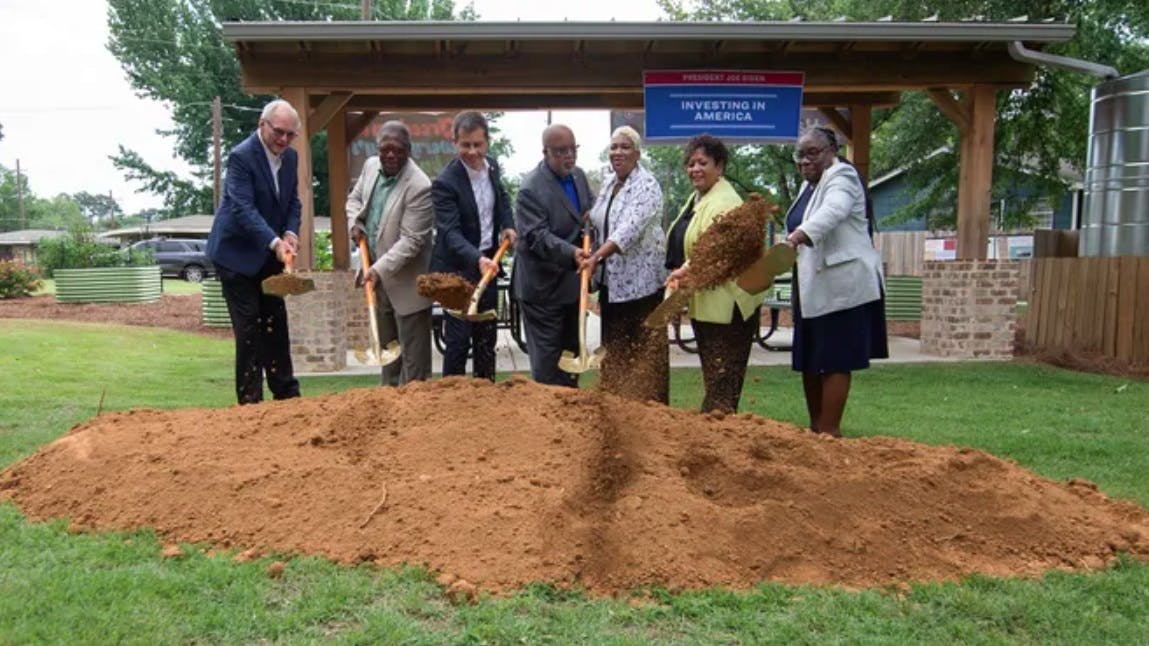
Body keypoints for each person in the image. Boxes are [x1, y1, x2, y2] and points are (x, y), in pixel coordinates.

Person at [784, 126, 888, 437]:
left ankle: (829, 432)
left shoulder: (842, 177)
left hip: (842, 287)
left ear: (832, 152)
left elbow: (834, 211)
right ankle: (815, 429)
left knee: (835, 359)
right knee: (810, 358)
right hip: (811, 287)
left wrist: (799, 236)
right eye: (800, 155)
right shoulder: (808, 186)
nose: (805, 161)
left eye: (813, 153)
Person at [206, 99, 303, 405]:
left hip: (268, 259)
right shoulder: (241, 157)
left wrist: (290, 233)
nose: (284, 140)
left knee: (276, 324)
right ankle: (250, 404)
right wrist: (275, 244)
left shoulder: (290, 158)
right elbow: (243, 209)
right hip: (236, 258)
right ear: (262, 124)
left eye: (291, 135)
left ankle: (287, 395)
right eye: (279, 132)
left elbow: (293, 203)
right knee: (249, 327)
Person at [665, 134, 765, 413]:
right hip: (708, 302)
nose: (694, 169)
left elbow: (717, 250)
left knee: (723, 378)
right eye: (691, 163)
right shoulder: (698, 198)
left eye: (703, 162)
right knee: (715, 374)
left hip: (729, 306)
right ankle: (716, 429)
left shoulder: (725, 203)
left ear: (719, 167)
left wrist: (685, 271)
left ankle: (722, 433)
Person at [580, 126, 669, 403]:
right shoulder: (609, 182)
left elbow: (627, 231)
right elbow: (598, 217)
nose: (618, 152)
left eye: (625, 147)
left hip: (642, 289)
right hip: (613, 286)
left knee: (646, 355)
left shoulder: (647, 185)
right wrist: (588, 224)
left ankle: (654, 414)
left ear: (638, 153)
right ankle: (617, 413)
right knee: (615, 352)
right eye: (614, 147)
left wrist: (595, 257)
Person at [430, 111, 516, 381]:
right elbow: (450, 234)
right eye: (465, 145)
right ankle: (451, 402)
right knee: (457, 340)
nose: (472, 151)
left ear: (487, 142)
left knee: (486, 337)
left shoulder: (492, 166)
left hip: (488, 264)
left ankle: (486, 397)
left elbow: (501, 196)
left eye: (477, 144)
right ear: (454, 142)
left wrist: (508, 224)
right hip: (457, 268)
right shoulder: (445, 183)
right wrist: (477, 258)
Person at [347, 120, 434, 386]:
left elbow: (411, 241)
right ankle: (388, 421)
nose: (391, 155)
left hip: (407, 287)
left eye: (398, 150)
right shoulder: (371, 166)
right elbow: (354, 200)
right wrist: (355, 224)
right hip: (378, 282)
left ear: (409, 151)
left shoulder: (419, 185)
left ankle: (415, 422)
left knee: (414, 370)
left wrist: (377, 269)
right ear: (377, 149)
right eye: (385, 149)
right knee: (388, 360)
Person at [513, 124, 594, 388]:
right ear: (545, 152)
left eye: (573, 149)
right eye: (561, 151)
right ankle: (548, 425)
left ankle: (571, 422)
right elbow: (538, 236)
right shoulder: (530, 189)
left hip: (572, 287)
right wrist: (572, 252)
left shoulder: (579, 177)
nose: (569, 156)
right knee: (548, 368)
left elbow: (588, 212)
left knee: (571, 361)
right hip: (542, 292)